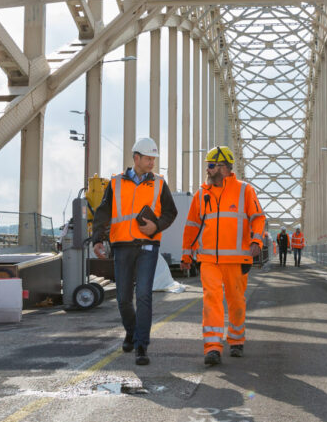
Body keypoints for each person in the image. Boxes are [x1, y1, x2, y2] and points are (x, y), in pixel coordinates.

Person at [92, 137, 178, 365]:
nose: (152, 163)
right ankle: (131, 331)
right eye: (148, 158)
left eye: (154, 159)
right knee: (122, 299)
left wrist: (156, 226)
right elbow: (103, 212)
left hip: (148, 246)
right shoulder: (116, 183)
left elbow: (171, 212)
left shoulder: (159, 183)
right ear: (136, 158)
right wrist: (97, 239)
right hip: (121, 246)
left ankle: (141, 346)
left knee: (143, 295)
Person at [181, 146, 265, 366]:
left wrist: (257, 241)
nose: (207, 170)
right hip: (208, 260)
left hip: (237, 260)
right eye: (207, 165)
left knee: (236, 302)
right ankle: (213, 347)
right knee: (212, 300)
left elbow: (258, 218)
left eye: (211, 165)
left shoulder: (244, 190)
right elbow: (191, 227)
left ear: (224, 167)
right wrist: (186, 255)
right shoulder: (202, 193)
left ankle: (236, 340)